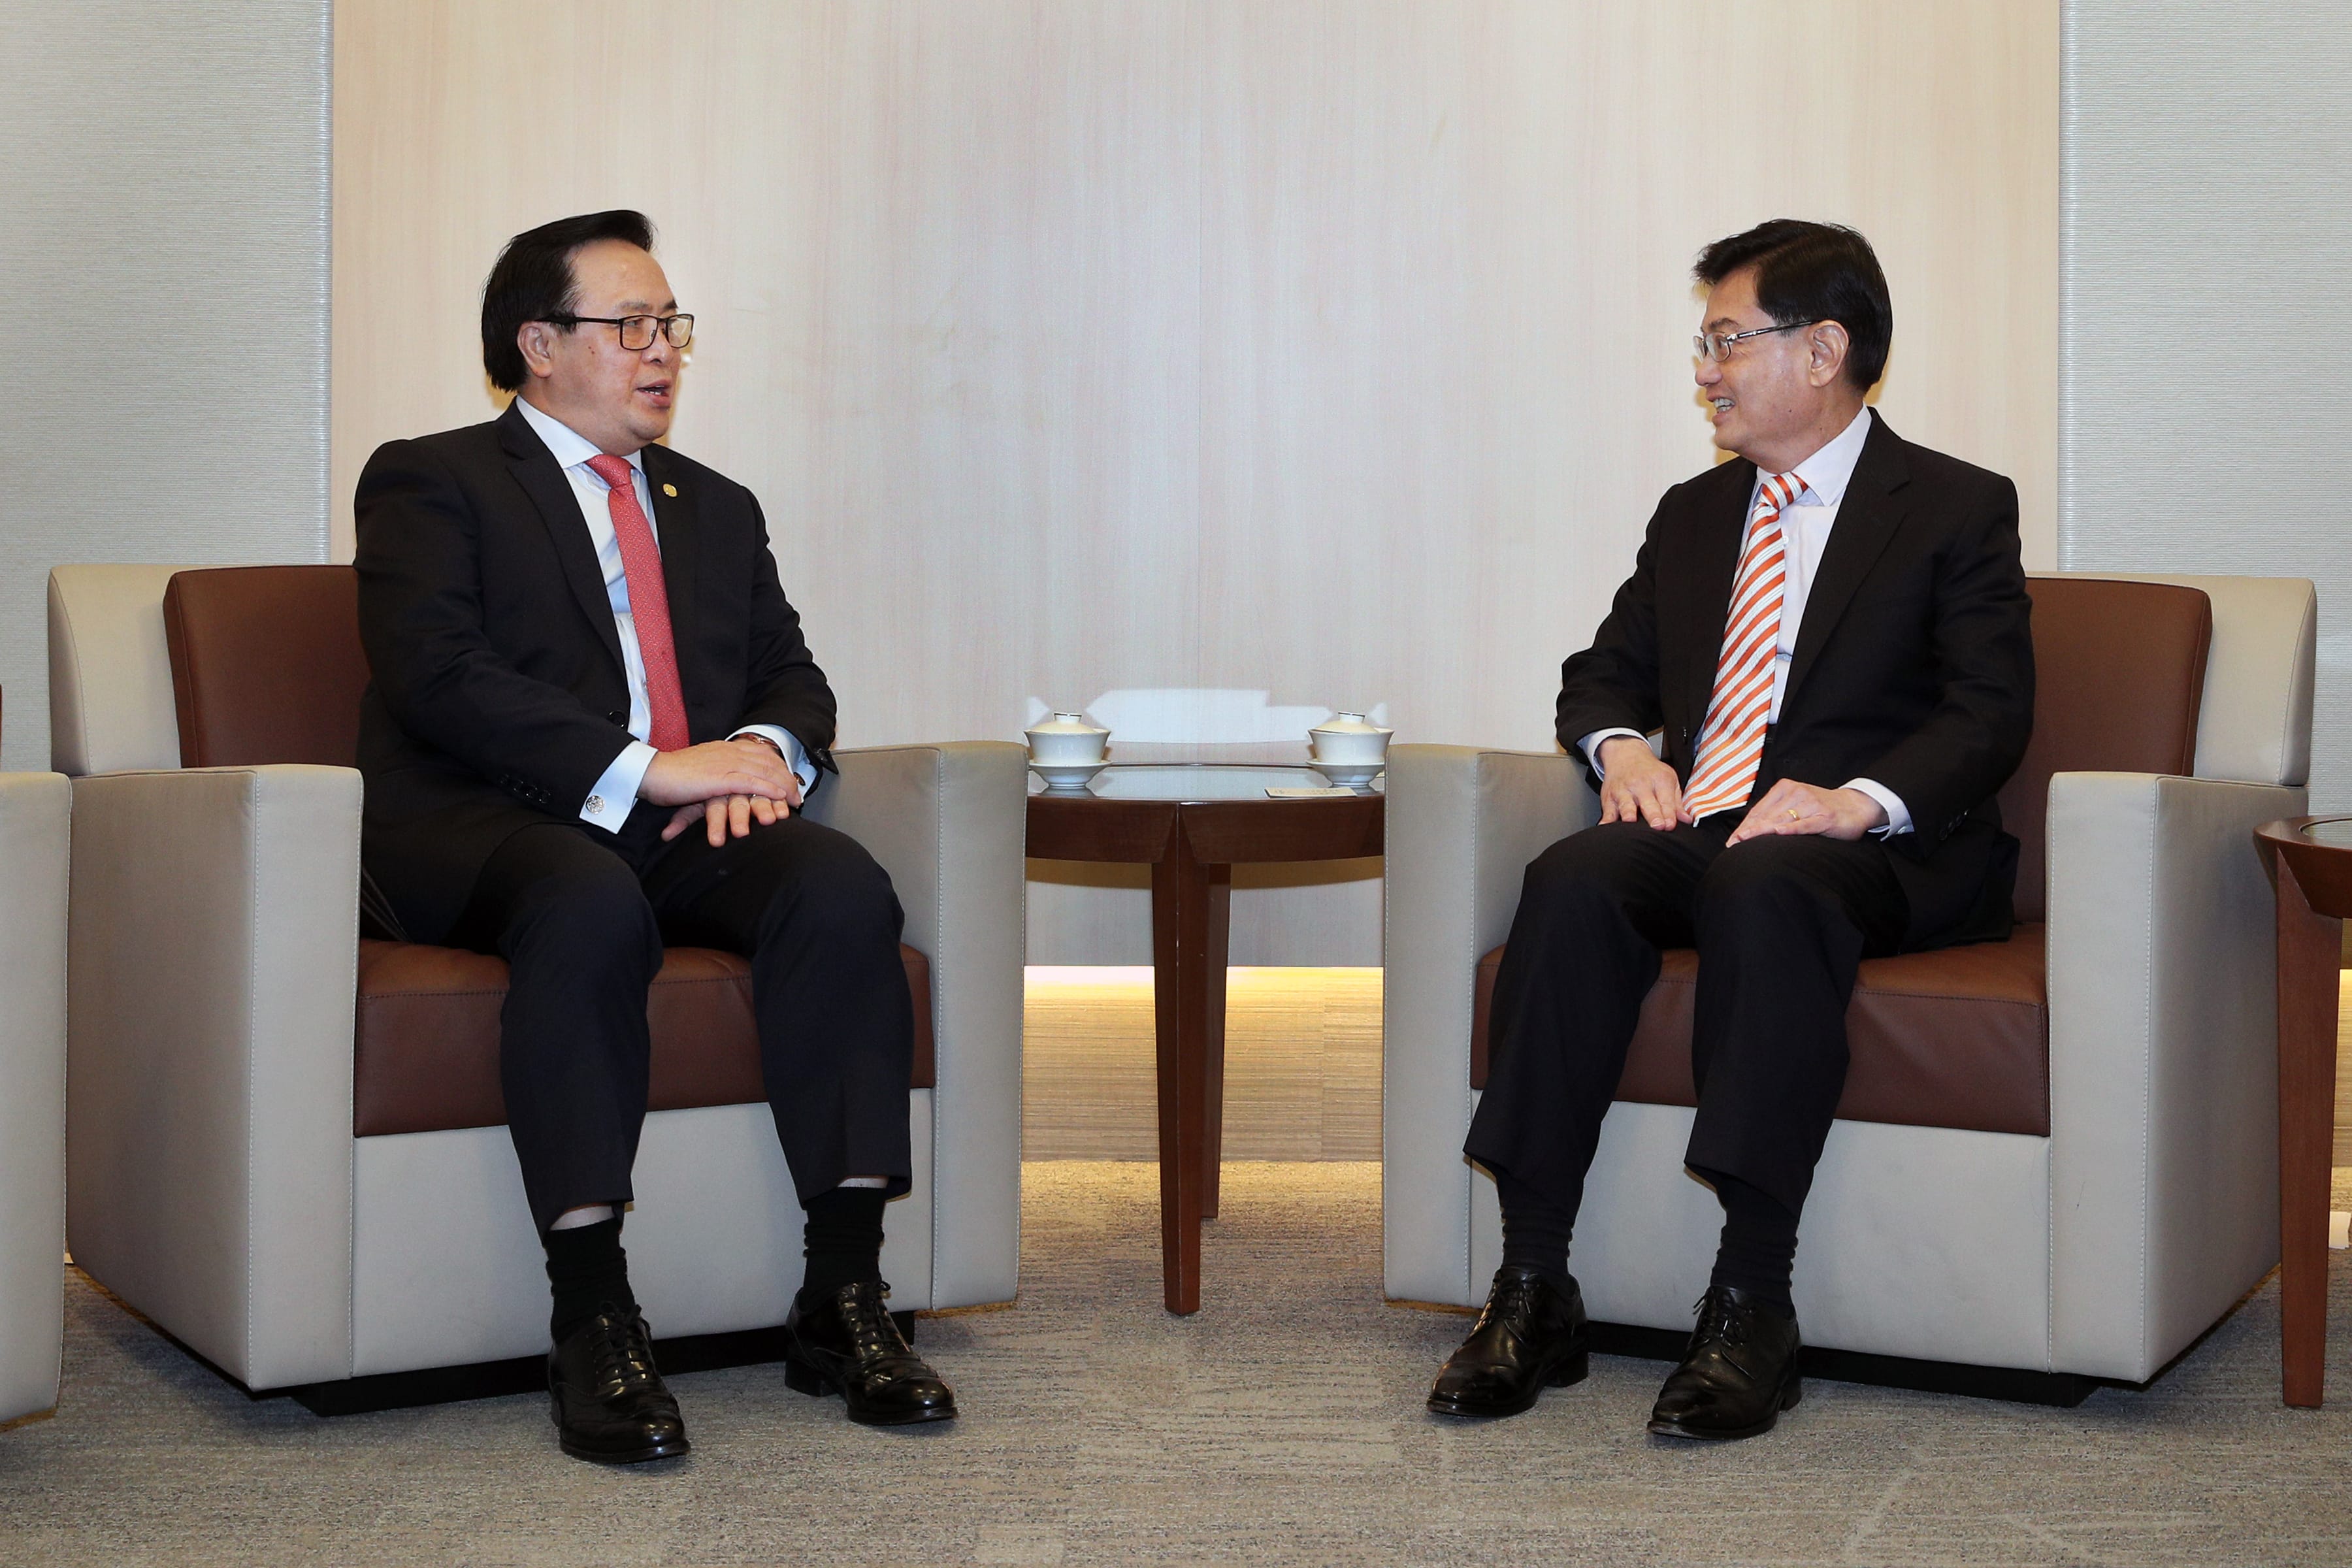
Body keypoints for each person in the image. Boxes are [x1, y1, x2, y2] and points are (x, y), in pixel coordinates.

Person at [353, 210, 956, 1465]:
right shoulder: (433, 479)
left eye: (670, 324)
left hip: (684, 822)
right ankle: (592, 1317)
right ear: (538, 344)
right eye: (629, 325)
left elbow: (791, 675)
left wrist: (761, 758)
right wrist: (649, 768)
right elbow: (439, 678)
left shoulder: (714, 506)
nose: (663, 350)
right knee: (587, 902)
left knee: (839, 885)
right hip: (495, 822)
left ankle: (843, 1296)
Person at [1427, 220, 2033, 1441]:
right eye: (1702, 346)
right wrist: (1625, 750)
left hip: (1875, 850)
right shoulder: (1698, 514)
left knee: (1770, 887)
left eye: (1726, 342)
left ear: (1823, 350)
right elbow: (1602, 672)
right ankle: (1535, 1284)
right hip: (1715, 826)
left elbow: (1991, 710)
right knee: (1574, 876)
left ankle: (1753, 1301)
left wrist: (1855, 800)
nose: (1704, 372)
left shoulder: (1954, 506)